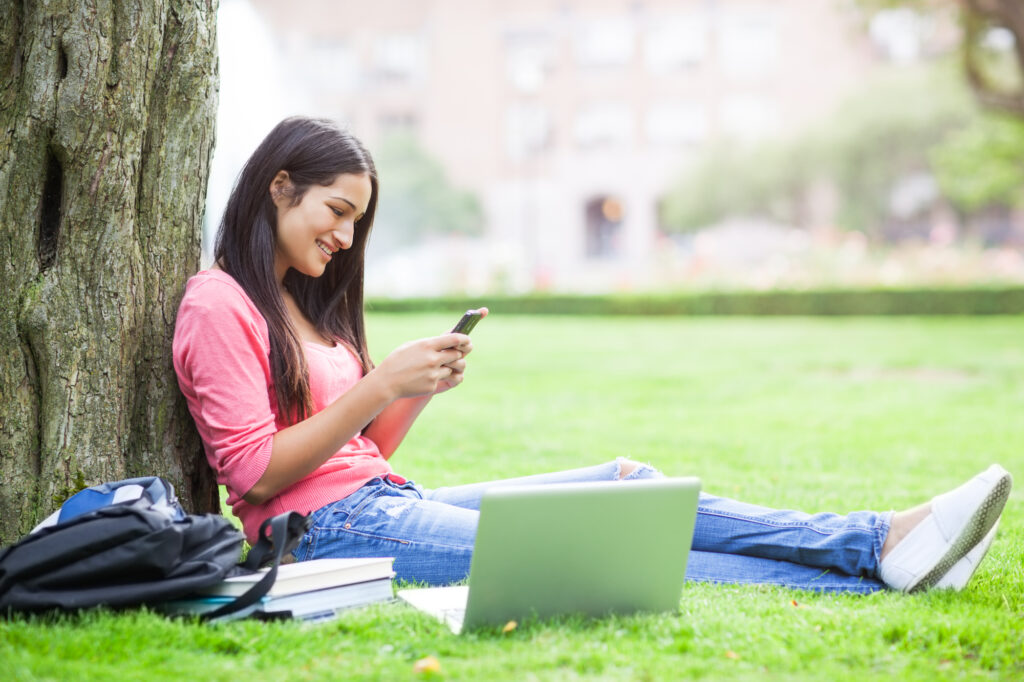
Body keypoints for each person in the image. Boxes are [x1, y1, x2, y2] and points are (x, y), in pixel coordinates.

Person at [173, 117, 1011, 595]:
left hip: (380, 500)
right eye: (336, 210)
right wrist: (380, 380)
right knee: (616, 547)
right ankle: (879, 558)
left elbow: (367, 452)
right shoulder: (220, 302)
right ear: (279, 186)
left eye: (358, 220)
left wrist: (415, 390)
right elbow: (254, 475)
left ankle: (880, 541)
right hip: (324, 537)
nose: (346, 236)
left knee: (627, 482)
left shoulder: (304, 301)